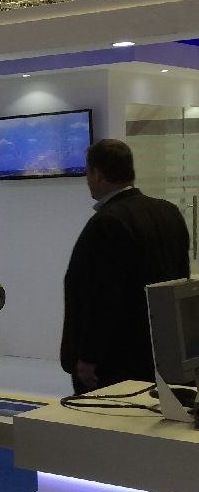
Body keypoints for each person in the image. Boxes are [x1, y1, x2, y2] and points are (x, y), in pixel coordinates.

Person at [61, 138, 191, 393]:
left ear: (97, 173)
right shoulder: (169, 212)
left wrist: (88, 356)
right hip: (164, 354)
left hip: (118, 363)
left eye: (88, 173)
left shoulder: (107, 223)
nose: (87, 181)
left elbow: (101, 298)